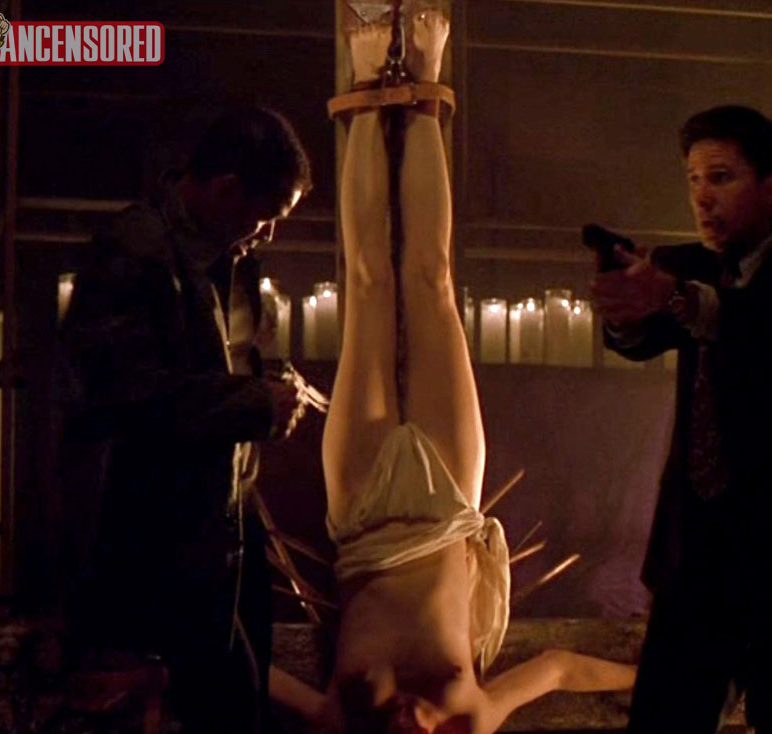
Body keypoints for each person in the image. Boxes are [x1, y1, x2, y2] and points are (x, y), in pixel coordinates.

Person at [270, 15, 635, 733]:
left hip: (362, 518)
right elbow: (559, 669)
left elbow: (245, 669)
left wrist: (157, 662)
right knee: (433, 284)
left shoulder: (342, 722)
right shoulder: (472, 717)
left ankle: (366, 86)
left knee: (369, 286)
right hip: (447, 514)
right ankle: (428, 86)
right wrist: (650, 677)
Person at [592, 105, 772, 733]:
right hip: (697, 551)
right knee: (663, 720)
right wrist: (625, 306)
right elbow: (639, 340)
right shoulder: (689, 265)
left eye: (720, 177)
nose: (701, 197)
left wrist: (672, 297)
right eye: (693, 180)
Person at [57, 105, 311, 733]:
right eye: (267, 215)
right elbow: (120, 396)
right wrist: (255, 404)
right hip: (155, 551)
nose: (268, 234)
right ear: (227, 190)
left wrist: (270, 387)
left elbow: (216, 368)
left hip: (225, 539)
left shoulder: (227, 255)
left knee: (238, 709)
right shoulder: (133, 250)